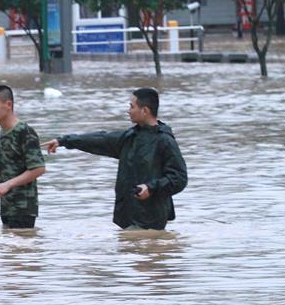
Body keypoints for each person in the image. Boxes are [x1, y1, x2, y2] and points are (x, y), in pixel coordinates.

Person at [42, 87, 188, 230]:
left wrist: (151, 187)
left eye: (132, 107)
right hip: (128, 216)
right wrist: (63, 141)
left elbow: (179, 178)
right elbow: (99, 139)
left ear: (144, 111)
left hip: (150, 219)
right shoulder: (129, 137)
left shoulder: (165, 141)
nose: (128, 111)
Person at [0, 85, 46, 228]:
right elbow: (13, 168)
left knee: (22, 247)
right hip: (7, 206)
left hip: (23, 208)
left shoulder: (24, 132)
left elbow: (38, 168)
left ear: (8, 105)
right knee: (7, 248)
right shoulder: (5, 132)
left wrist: (7, 184)